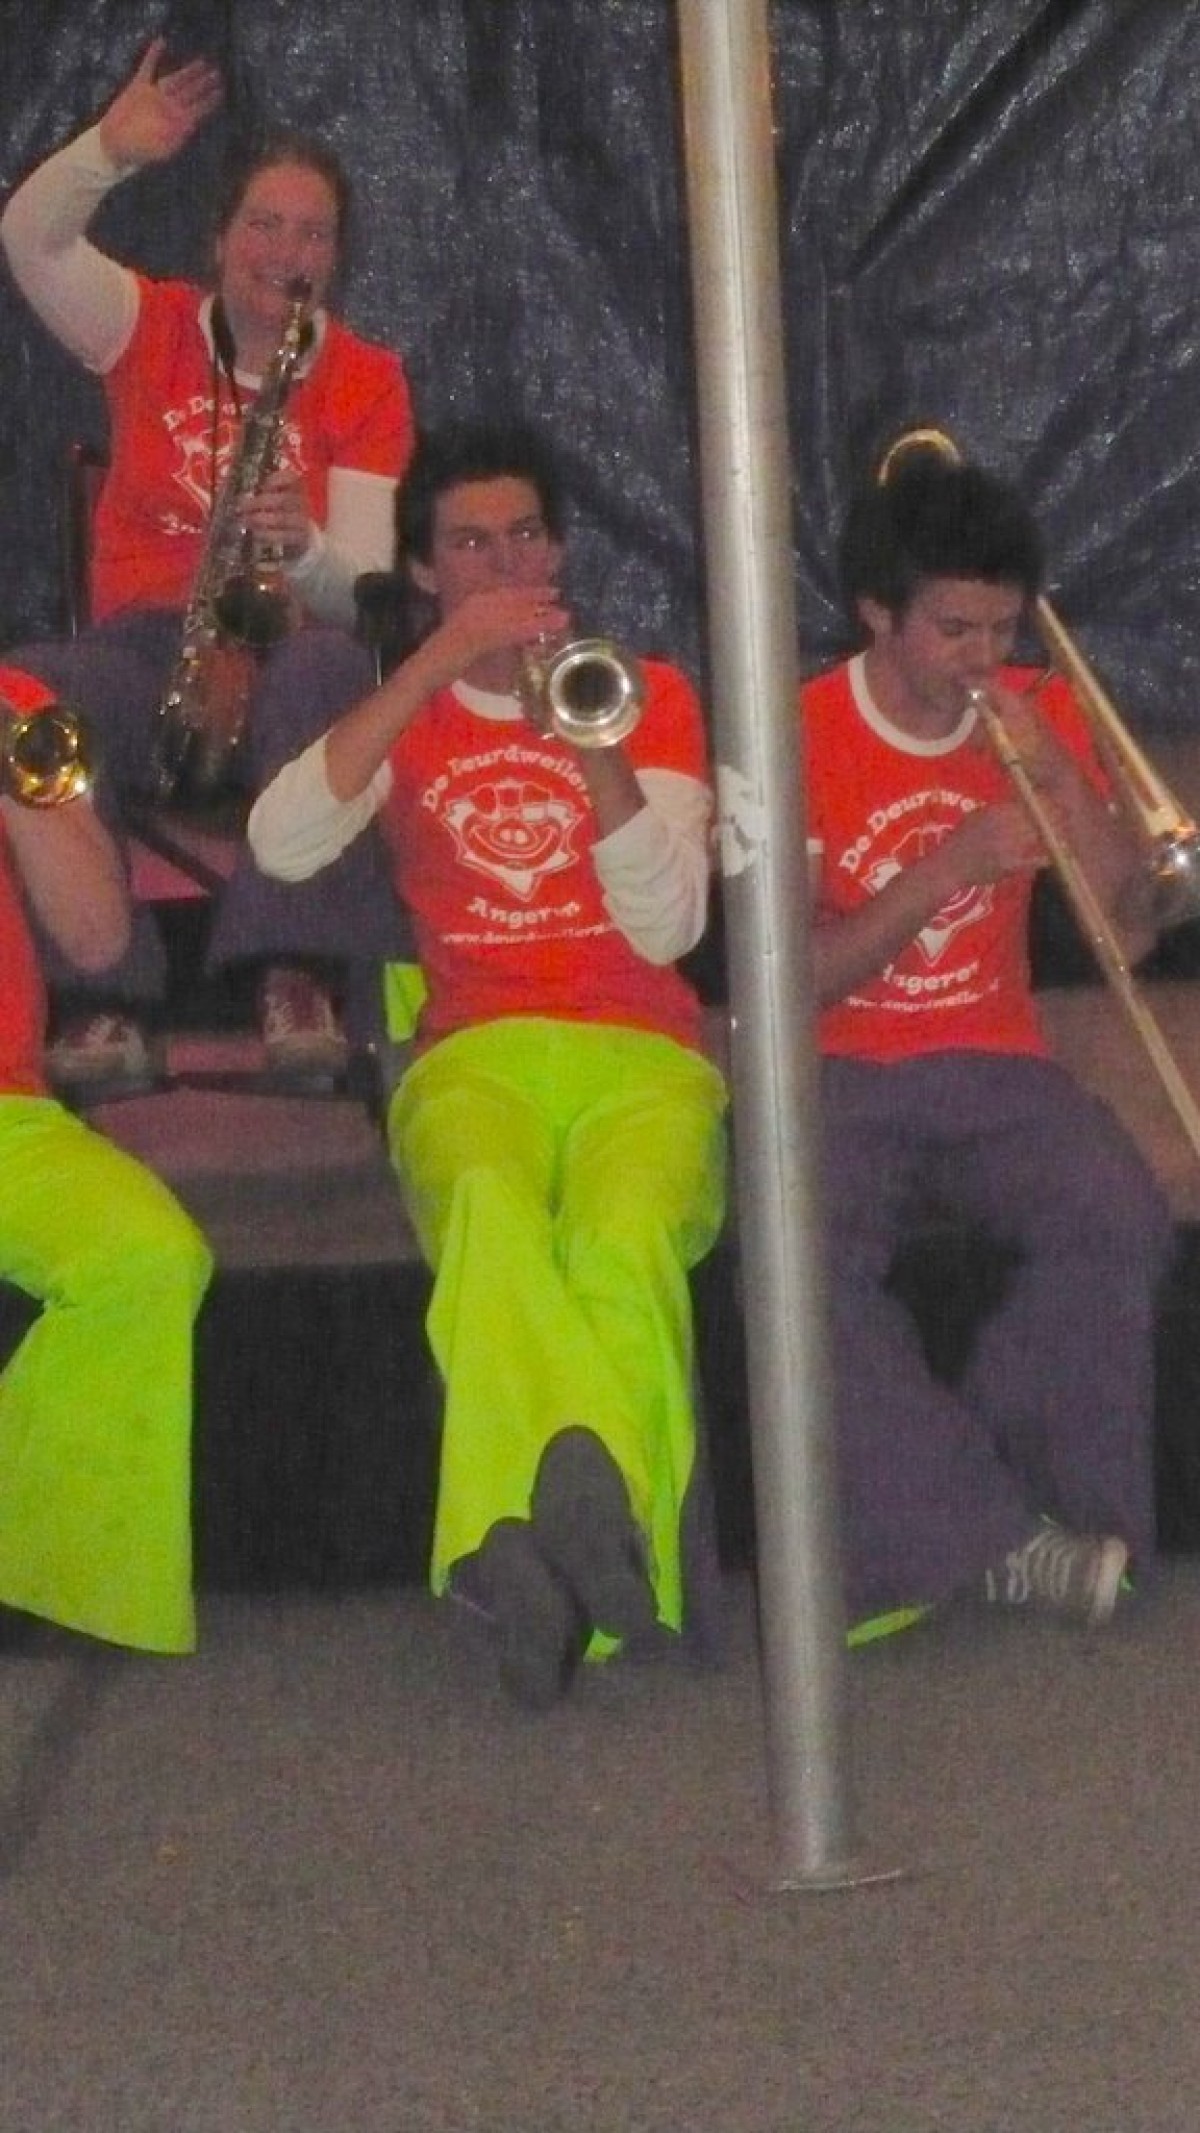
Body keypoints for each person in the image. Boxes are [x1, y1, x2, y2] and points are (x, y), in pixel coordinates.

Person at [248, 420, 728, 1709]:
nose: (506, 563)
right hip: (474, 1054)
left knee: (625, 1234)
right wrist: (434, 669)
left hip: (642, 1055)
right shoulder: (406, 715)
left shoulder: (646, 693)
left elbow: (670, 929)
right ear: (422, 570)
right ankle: (597, 1541)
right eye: (470, 544)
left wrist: (593, 747)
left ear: (559, 550)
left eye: (524, 535)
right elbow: (282, 845)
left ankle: (512, 1543)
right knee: (490, 1211)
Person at [801, 446, 1172, 1639]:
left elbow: (1129, 930)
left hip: (996, 1059)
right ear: (877, 614)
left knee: (1118, 1213)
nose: (982, 658)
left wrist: (1061, 776)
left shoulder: (1035, 713)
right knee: (796, 1262)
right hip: (839, 1067)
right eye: (953, 629)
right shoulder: (800, 729)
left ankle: (1001, 1508)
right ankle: (1002, 1541)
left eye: (1002, 629)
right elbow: (790, 981)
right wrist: (947, 867)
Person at [0, 39, 415, 1090]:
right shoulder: (145, 326)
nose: (286, 250)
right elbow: (28, 239)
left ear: (337, 257)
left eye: (312, 232)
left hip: (285, 652)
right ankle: (105, 990)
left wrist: (305, 550)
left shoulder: (366, 379)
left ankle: (296, 975)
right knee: (33, 692)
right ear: (219, 238)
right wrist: (107, 150)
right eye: (264, 224)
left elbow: (365, 594)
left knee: (329, 670)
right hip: (149, 650)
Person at [0, 664, 210, 1655]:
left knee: (150, 1257)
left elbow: (95, 939)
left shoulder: (16, 703)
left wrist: (16, 779)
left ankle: (47, 1573)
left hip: (10, 1116)